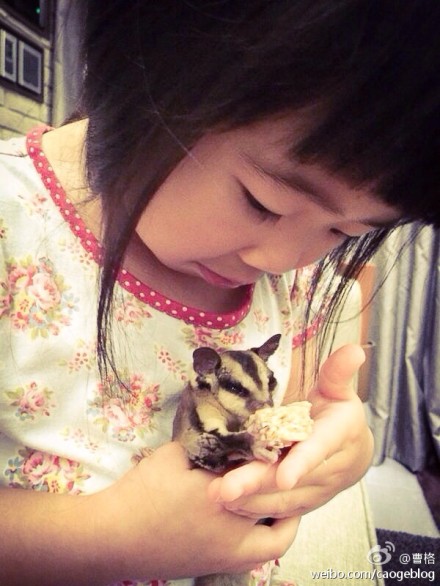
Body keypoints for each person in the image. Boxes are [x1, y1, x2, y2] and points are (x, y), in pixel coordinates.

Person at [0, 1, 439, 585]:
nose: (281, 261)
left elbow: (290, 412)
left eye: (343, 231)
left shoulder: (295, 282)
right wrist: (108, 537)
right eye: (263, 202)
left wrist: (339, 453)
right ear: (144, 65)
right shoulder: (13, 226)